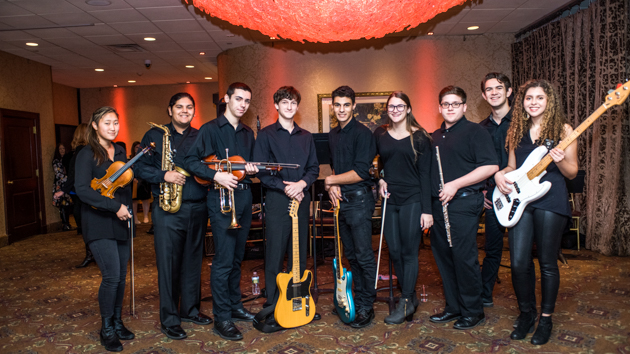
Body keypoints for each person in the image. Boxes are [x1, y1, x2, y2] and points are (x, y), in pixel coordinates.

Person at [494, 79, 577, 345]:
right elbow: (511, 167)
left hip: (550, 199)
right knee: (518, 262)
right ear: (522, 102)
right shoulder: (515, 130)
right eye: (529, 98)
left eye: (539, 98)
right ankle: (527, 313)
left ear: (549, 101)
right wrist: (499, 174)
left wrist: (561, 160)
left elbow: (572, 173)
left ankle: (546, 318)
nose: (533, 103)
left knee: (547, 262)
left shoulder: (564, 130)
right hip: (522, 200)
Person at [184, 82, 259, 341]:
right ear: (226, 99)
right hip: (221, 199)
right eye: (238, 99)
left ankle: (235, 306)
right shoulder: (209, 129)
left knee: (239, 258)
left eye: (247, 101)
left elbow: (245, 165)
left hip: (245, 197)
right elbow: (191, 162)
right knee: (224, 261)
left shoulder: (249, 133)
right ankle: (222, 318)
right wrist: (217, 175)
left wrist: (250, 169)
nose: (242, 104)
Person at [135, 93, 212, 340]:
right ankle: (169, 319)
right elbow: (138, 167)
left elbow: (210, 166)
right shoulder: (154, 135)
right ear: (170, 110)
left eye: (189, 107)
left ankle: (190, 310)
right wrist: (164, 175)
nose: (184, 111)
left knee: (193, 262)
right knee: (168, 265)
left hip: (197, 207)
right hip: (168, 210)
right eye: (179, 107)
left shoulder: (201, 135)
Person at [428, 86, 498, 330]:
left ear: (464, 107)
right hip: (439, 203)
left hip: (465, 201)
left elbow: (490, 167)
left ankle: (473, 310)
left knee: (463, 257)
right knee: (443, 256)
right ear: (439, 108)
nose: (450, 108)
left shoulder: (475, 131)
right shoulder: (434, 137)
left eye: (455, 104)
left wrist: (455, 185)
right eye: (445, 104)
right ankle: (454, 306)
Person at [253, 86, 320, 323]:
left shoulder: (307, 136)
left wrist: (301, 184)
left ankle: (299, 299)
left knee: (299, 253)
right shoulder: (266, 135)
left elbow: (314, 169)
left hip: (301, 199)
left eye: (293, 103)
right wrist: (286, 188)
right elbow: (261, 172)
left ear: (297, 106)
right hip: (277, 200)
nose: (289, 106)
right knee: (275, 253)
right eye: (285, 102)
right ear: (276, 106)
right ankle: (273, 304)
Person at [75, 107, 134, 352]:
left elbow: (124, 186)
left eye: (116, 122)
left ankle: (117, 321)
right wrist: (115, 206)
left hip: (121, 220)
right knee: (110, 276)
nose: (112, 127)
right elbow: (83, 190)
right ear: (95, 125)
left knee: (120, 276)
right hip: (97, 221)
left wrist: (127, 209)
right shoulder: (86, 153)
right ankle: (106, 328)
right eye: (107, 122)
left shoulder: (120, 150)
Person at [373, 91, 433, 324]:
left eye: (400, 106)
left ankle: (406, 300)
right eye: (391, 106)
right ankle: (410, 293)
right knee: (394, 250)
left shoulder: (420, 137)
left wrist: (427, 210)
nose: (395, 110)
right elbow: (379, 164)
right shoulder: (380, 134)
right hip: (390, 199)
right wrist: (380, 180)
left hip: (413, 199)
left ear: (408, 109)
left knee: (409, 251)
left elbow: (426, 174)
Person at [325, 85, 377, 328]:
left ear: (354, 106)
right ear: (332, 106)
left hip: (359, 199)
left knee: (364, 255)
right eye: (338, 105)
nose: (342, 109)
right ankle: (356, 298)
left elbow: (360, 172)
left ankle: (368, 305)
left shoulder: (364, 134)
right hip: (342, 202)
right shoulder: (333, 134)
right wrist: (333, 184)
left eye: (347, 104)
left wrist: (330, 181)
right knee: (351, 256)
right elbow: (338, 166)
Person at [56, 124, 94, 267]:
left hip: (82, 192)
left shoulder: (81, 151)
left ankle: (91, 254)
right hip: (89, 191)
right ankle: (92, 253)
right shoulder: (88, 150)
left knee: (85, 224)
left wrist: (63, 190)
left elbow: (73, 173)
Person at [52, 143, 73, 231]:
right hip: (60, 185)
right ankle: (65, 224)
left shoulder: (67, 159)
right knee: (62, 204)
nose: (62, 150)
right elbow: (59, 174)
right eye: (60, 149)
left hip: (66, 184)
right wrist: (70, 180)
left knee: (67, 204)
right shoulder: (56, 161)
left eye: (63, 148)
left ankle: (67, 223)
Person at [130, 141, 152, 224]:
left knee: (145, 199)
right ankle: (135, 218)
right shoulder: (130, 159)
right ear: (133, 149)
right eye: (136, 147)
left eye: (139, 147)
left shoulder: (146, 158)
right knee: (134, 200)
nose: (138, 149)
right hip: (133, 181)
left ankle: (146, 216)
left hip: (144, 181)